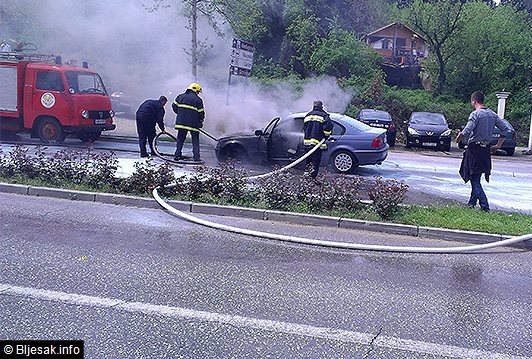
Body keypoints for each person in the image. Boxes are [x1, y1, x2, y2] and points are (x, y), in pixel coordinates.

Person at [455, 91, 512, 212]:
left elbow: (468, 129)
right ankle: (471, 204)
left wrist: (460, 136)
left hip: (474, 149)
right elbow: (505, 129)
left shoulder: (475, 114)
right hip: (485, 149)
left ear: (473, 101)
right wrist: (497, 145)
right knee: (476, 177)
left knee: (474, 178)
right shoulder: (493, 114)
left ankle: (485, 206)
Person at [172, 83, 205, 162]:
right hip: (193, 124)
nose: (198, 93)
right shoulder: (198, 100)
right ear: (195, 90)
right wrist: (200, 121)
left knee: (180, 139)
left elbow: (174, 106)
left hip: (181, 123)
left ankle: (177, 156)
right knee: (195, 140)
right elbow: (201, 113)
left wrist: (180, 114)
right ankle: (196, 158)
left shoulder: (180, 96)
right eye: (198, 92)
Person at [303, 100, 333, 178]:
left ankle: (306, 177)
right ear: (321, 106)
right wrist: (326, 136)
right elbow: (328, 127)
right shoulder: (324, 116)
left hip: (307, 143)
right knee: (315, 162)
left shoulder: (308, 115)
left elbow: (305, 128)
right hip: (317, 144)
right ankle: (312, 178)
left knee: (308, 160)